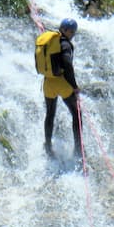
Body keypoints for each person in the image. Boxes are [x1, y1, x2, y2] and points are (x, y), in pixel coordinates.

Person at [43, 18, 81, 159]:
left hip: (48, 83)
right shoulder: (65, 45)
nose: (72, 34)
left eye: (73, 32)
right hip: (62, 83)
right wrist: (75, 86)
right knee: (77, 114)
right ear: (64, 30)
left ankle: (47, 145)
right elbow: (67, 65)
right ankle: (78, 149)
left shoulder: (50, 41)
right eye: (71, 31)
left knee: (50, 114)